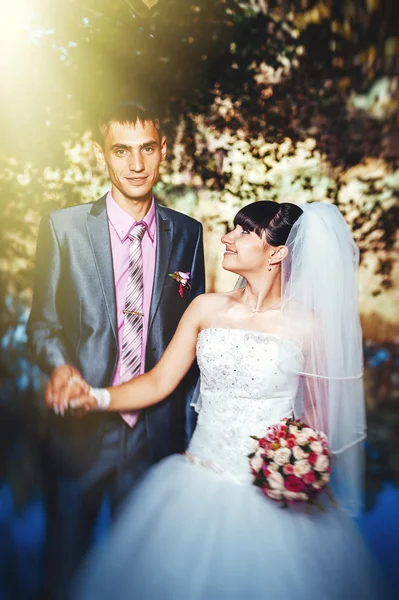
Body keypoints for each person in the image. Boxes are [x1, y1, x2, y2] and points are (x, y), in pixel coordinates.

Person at [54, 201, 388, 599]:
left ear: (277, 252)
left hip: (269, 500)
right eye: (232, 229)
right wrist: (94, 396)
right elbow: (159, 381)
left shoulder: (308, 327)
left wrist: (302, 463)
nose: (227, 238)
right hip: (194, 486)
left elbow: (317, 416)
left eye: (244, 232)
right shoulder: (205, 307)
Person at [26, 100, 205, 598]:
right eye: (121, 150)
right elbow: (42, 324)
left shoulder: (188, 234)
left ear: (162, 150)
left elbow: (192, 341)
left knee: (147, 581)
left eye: (147, 148)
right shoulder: (62, 230)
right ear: (102, 154)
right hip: (78, 435)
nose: (135, 163)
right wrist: (60, 368)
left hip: (157, 436)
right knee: (64, 574)